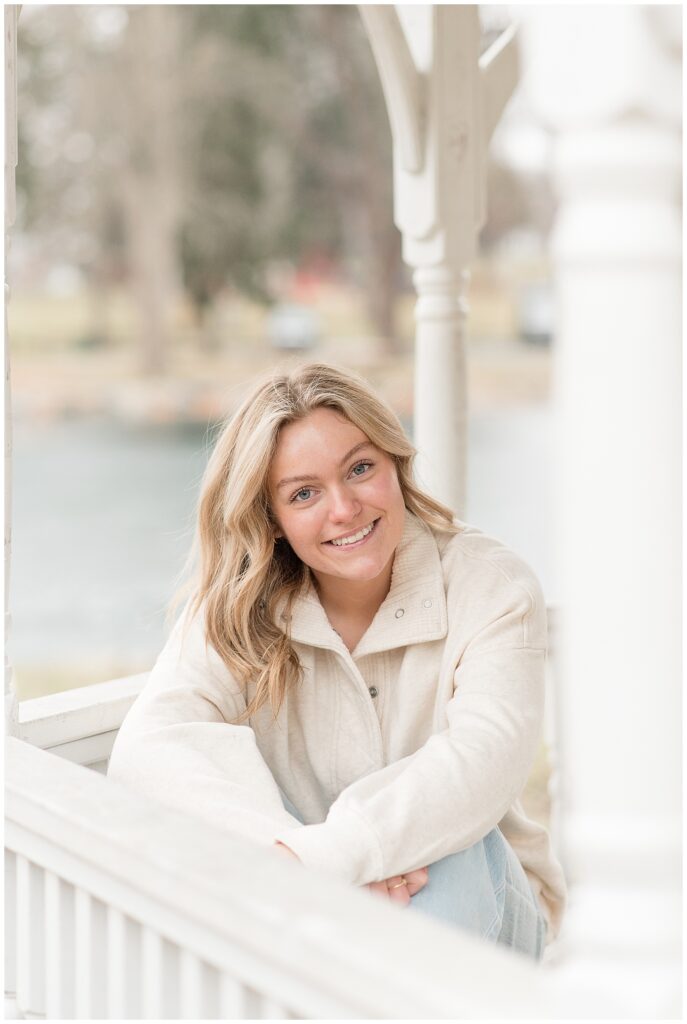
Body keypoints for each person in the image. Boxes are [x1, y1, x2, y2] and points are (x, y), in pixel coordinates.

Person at [108, 362, 566, 961]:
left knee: (443, 846)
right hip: (313, 907)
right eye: (304, 493)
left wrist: (325, 858)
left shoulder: (491, 586)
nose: (345, 508)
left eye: (360, 469)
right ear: (271, 521)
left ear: (395, 462)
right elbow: (149, 748)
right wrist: (301, 857)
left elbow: (482, 763)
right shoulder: (236, 605)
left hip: (483, 903)